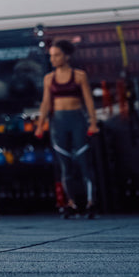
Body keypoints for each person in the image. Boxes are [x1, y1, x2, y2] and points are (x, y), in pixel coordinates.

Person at [34, 39, 99, 217]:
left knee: (84, 163)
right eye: (51, 56)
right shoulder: (49, 78)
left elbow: (88, 101)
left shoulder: (79, 76)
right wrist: (40, 125)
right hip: (58, 123)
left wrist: (93, 122)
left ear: (66, 56)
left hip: (77, 120)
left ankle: (91, 203)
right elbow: (46, 103)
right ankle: (72, 203)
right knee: (65, 166)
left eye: (56, 55)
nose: (53, 59)